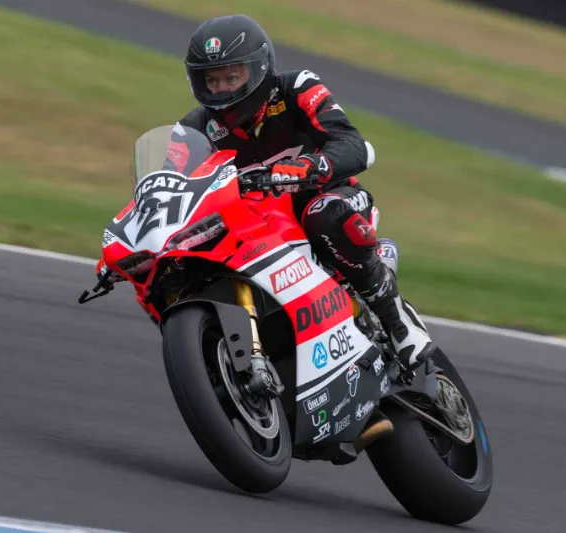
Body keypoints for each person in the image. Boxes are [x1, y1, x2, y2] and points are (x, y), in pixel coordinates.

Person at [169, 14, 435, 371]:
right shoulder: (191, 130)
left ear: (259, 68)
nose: (222, 90)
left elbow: (352, 144)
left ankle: (395, 315)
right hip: (256, 227)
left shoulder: (296, 87)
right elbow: (170, 187)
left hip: (331, 200)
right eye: (211, 81)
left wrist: (314, 166)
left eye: (232, 77)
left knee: (323, 213)